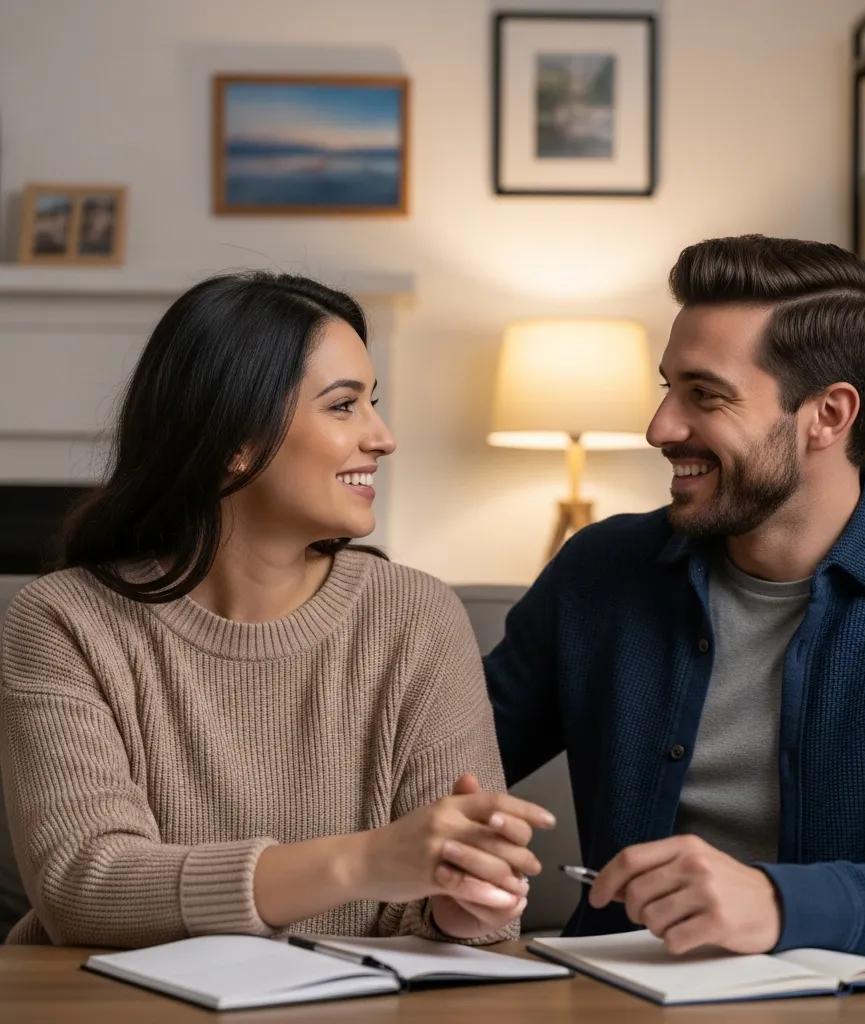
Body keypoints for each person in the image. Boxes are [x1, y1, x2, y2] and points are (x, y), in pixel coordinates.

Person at [485, 235, 865, 958]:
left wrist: (780, 905)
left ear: (828, 416)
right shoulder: (598, 571)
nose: (660, 428)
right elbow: (442, 764)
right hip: (608, 994)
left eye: (704, 395)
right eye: (666, 387)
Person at [0, 272, 554, 947]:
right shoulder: (61, 620)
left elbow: (444, 906)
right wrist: (366, 860)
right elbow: (84, 888)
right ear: (235, 439)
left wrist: (461, 910)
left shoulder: (416, 615)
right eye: (344, 406)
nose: (382, 437)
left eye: (371, 403)